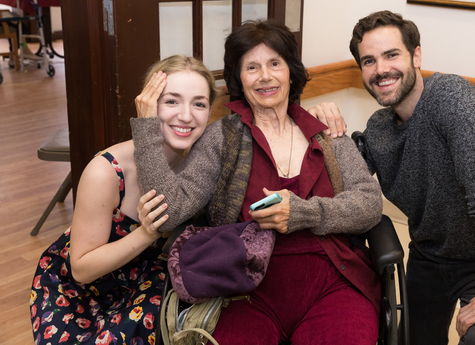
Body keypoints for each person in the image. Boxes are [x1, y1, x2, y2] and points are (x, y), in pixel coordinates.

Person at [131, 20, 383, 345]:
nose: (265, 76)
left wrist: (302, 214)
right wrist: (148, 127)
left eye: (275, 63)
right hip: (245, 289)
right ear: (239, 78)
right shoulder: (223, 138)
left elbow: (369, 204)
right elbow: (172, 209)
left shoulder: (325, 131)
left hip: (334, 283)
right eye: (252, 66)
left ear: (291, 71)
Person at [340, 10, 475, 345]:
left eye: (391, 55)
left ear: (417, 56)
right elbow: (345, 178)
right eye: (369, 61)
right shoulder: (379, 130)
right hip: (429, 258)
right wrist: (321, 127)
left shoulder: (451, 97)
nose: (381, 69)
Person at [30, 55, 218, 345]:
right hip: (82, 290)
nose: (185, 115)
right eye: (171, 101)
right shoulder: (105, 171)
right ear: (148, 105)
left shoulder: (203, 161)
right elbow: (81, 268)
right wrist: (146, 233)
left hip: (150, 279)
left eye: (199, 103)